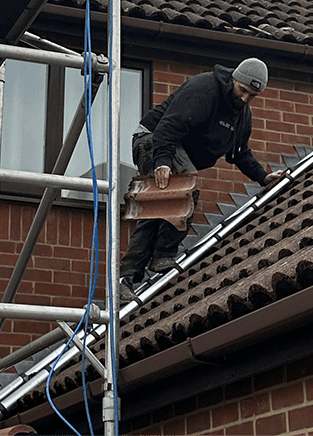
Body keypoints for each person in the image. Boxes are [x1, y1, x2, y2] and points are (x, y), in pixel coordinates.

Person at [119, 58, 284, 301]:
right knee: (183, 190)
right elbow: (168, 127)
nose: (245, 98)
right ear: (234, 80)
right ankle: (158, 258)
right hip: (154, 140)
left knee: (161, 208)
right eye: (243, 90)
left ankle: (134, 274)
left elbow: (240, 154)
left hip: (175, 150)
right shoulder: (204, 88)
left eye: (252, 95)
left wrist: (263, 177)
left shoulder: (241, 116)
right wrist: (162, 161)